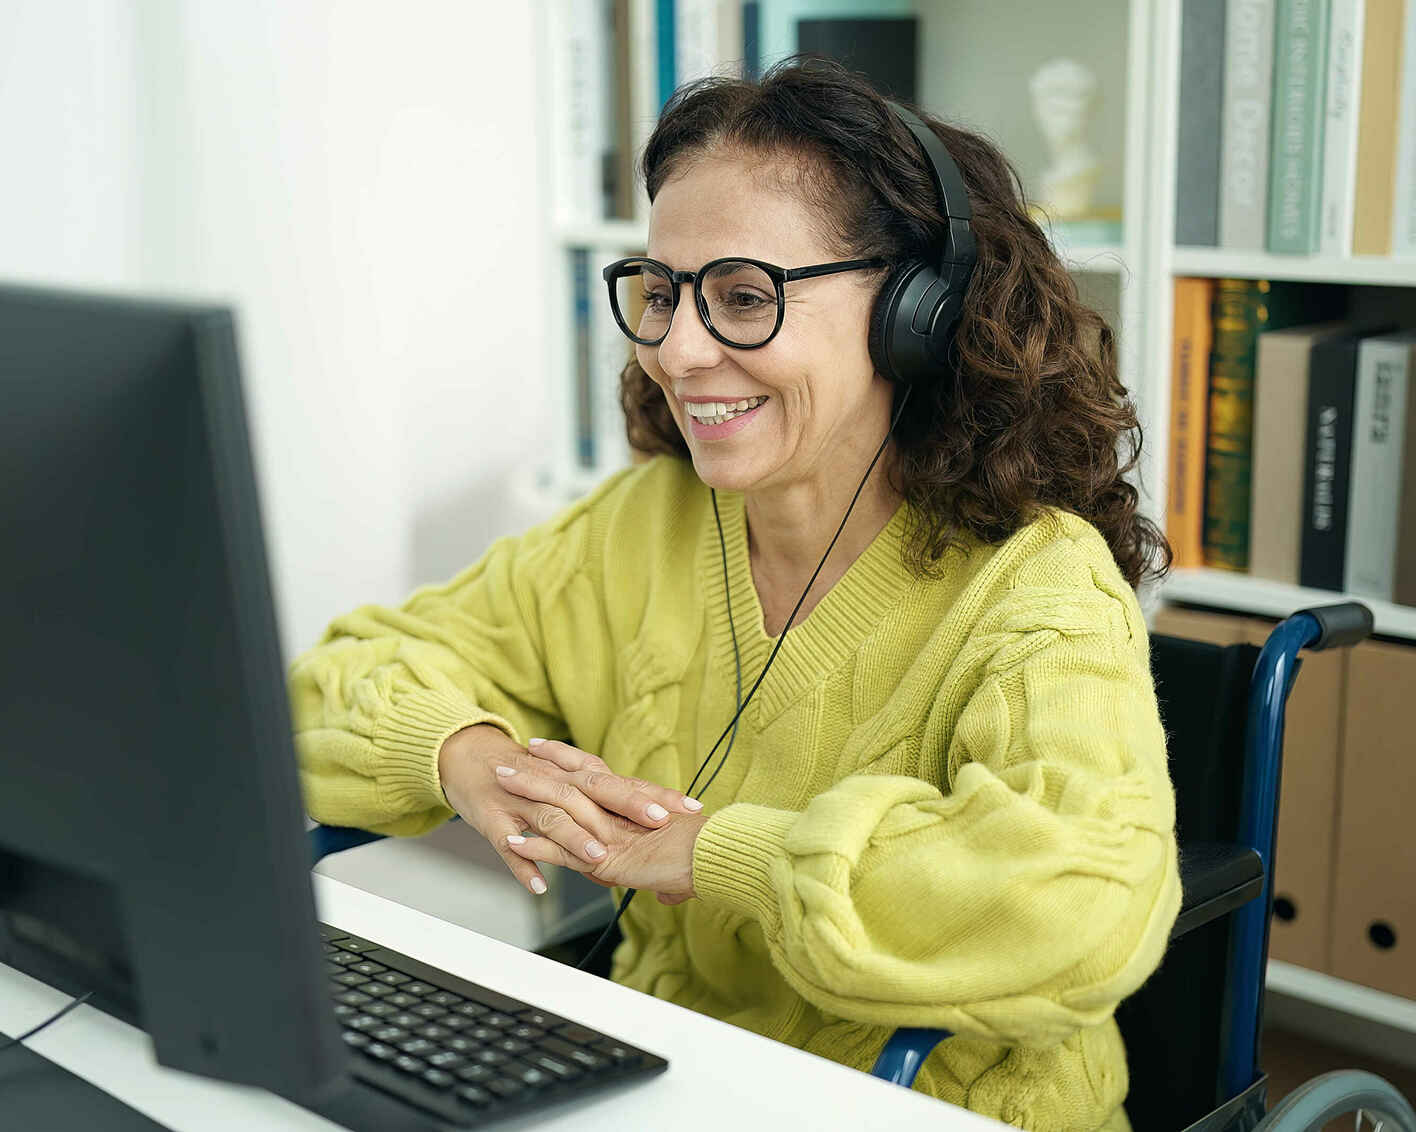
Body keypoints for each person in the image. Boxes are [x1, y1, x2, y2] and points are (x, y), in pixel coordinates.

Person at [289, 57, 1180, 1131]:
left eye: (745, 298)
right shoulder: (643, 528)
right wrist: (466, 754)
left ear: (917, 310)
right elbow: (321, 685)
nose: (679, 348)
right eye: (662, 294)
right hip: (660, 1083)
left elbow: (1085, 899)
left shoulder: (1035, 584)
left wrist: (715, 851)